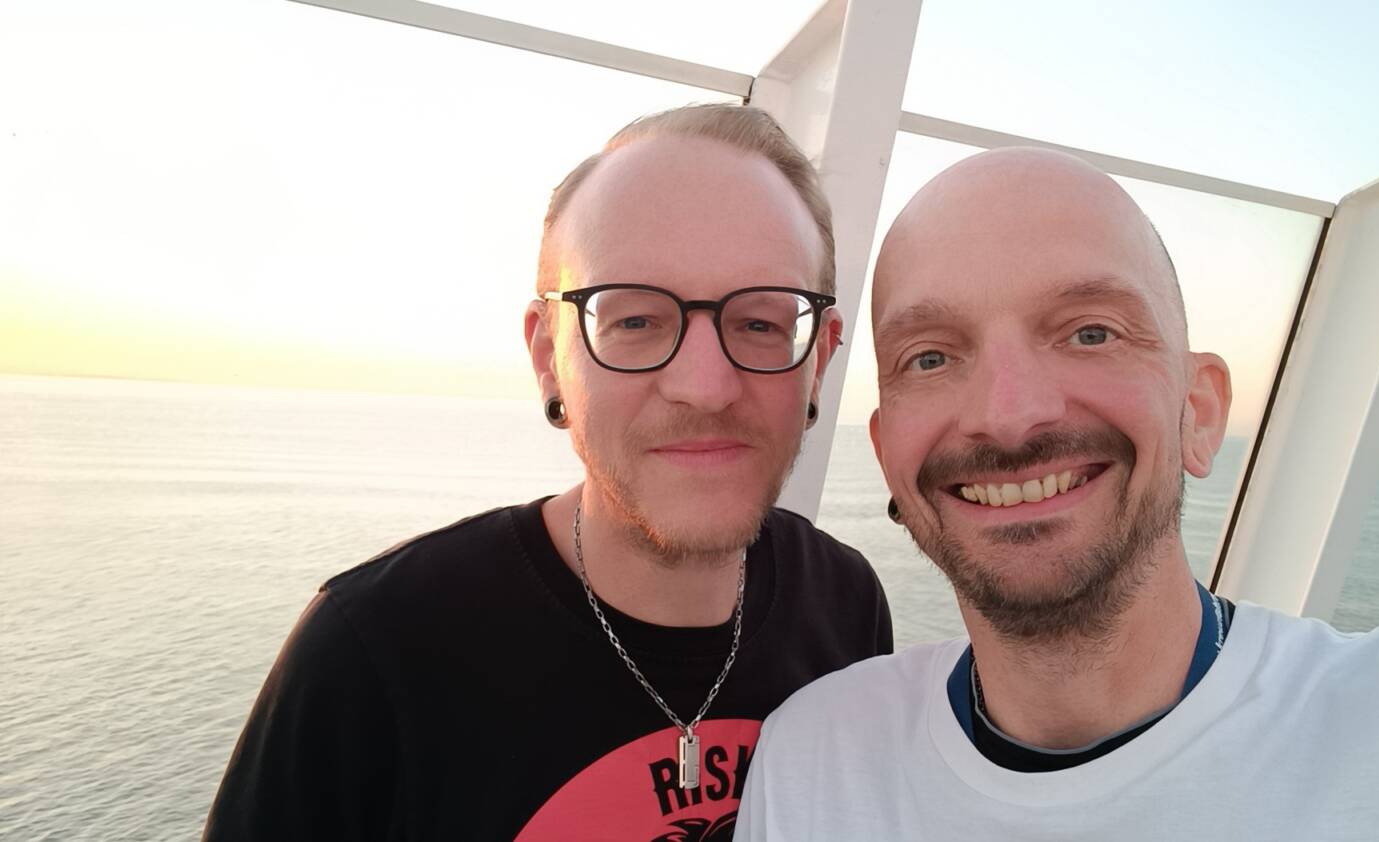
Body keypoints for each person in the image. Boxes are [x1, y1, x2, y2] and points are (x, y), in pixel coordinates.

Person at [736, 148, 1379, 840]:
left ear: (1198, 412)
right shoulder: (815, 760)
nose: (1008, 415)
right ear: (887, 457)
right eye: (932, 357)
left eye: (1091, 332)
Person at [203, 104, 893, 841]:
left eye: (760, 323)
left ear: (819, 361)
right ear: (548, 358)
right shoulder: (376, 652)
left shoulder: (846, 605)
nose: (705, 386)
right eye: (634, 321)